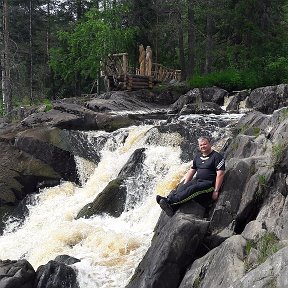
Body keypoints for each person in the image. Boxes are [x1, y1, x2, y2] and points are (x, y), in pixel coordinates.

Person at [156, 136, 225, 217]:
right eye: (201, 145)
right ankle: (171, 205)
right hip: (198, 180)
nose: (203, 146)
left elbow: (220, 174)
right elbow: (192, 170)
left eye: (205, 144)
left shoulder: (217, 157)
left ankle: (169, 202)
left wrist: (216, 191)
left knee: (193, 189)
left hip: (209, 185)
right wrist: (185, 184)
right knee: (183, 188)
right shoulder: (198, 156)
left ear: (210, 144)